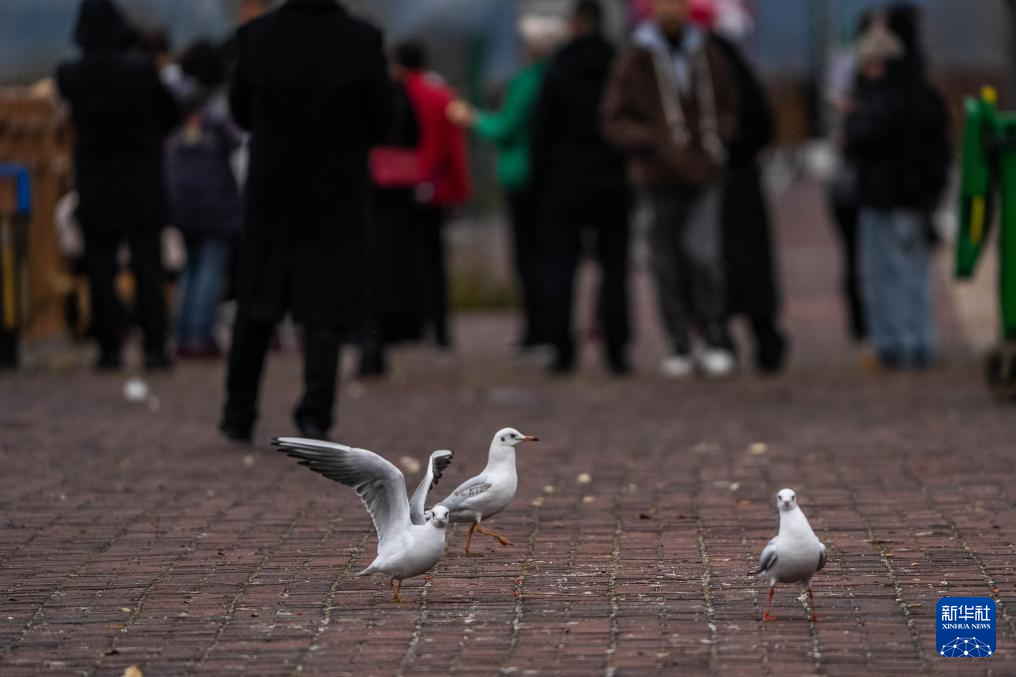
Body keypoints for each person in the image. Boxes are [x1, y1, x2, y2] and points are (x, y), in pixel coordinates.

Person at [220, 0, 394, 443]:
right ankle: (314, 414)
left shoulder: (256, 36)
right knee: (324, 310)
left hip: (271, 189)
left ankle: (238, 414)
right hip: (334, 192)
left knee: (257, 302)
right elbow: (383, 118)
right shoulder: (362, 39)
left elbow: (239, 110)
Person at [602, 0, 738, 379]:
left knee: (704, 254)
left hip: (705, 171)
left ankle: (713, 333)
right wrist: (653, 142)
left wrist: (717, 137)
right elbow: (614, 118)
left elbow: (729, 102)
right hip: (657, 176)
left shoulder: (706, 52)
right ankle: (678, 339)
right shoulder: (636, 58)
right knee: (665, 261)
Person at [56, 0, 180, 371]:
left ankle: (108, 348)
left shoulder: (70, 75)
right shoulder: (141, 71)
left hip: (96, 183)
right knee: (148, 269)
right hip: (141, 182)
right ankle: (155, 348)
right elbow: (170, 113)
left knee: (100, 269)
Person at [448, 17, 562, 352]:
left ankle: (537, 329)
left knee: (528, 258)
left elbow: (503, 128)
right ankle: (553, 325)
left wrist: (472, 117)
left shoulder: (525, 82)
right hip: (552, 176)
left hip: (520, 175)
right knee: (551, 255)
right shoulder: (555, 79)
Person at [530, 0, 632, 375]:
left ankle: (562, 348)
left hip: (564, 182)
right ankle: (617, 348)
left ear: (574, 24)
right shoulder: (618, 65)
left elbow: (540, 132)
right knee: (615, 269)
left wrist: (540, 182)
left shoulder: (557, 69)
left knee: (561, 268)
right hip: (612, 179)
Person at [844, 11, 950, 370]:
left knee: (886, 274)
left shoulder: (882, 98)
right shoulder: (925, 94)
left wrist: (852, 120)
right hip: (915, 198)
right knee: (914, 274)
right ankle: (919, 340)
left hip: (886, 196)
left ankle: (897, 343)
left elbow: (867, 138)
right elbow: (940, 151)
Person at [693, 10, 788, 373]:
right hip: (743, 180)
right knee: (753, 269)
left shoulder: (700, 68)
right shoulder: (739, 68)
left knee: (715, 263)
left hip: (712, 179)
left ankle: (723, 340)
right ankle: (766, 340)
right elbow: (763, 122)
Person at [165, 41, 243, 359]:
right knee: (211, 267)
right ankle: (200, 334)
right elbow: (237, 143)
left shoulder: (176, 101)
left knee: (190, 266)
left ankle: (183, 332)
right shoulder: (219, 107)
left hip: (180, 197)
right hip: (216, 199)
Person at [395, 43, 471, 350]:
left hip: (397, 185)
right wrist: (459, 190)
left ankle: (407, 324)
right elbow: (455, 149)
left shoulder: (395, 95)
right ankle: (439, 328)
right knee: (434, 260)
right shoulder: (441, 96)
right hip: (435, 188)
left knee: (400, 258)